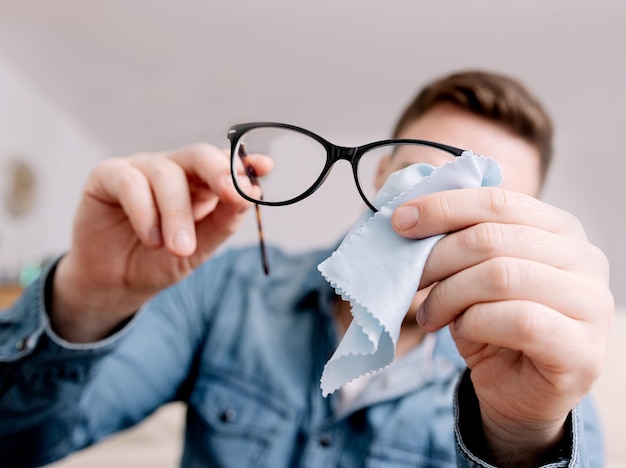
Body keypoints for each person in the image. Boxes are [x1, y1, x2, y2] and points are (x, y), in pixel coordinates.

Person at [0, 70, 613, 467]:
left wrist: (519, 437)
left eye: (483, 201)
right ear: (379, 173)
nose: (445, 216)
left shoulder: (542, 376)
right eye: (425, 178)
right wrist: (86, 299)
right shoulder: (228, 287)